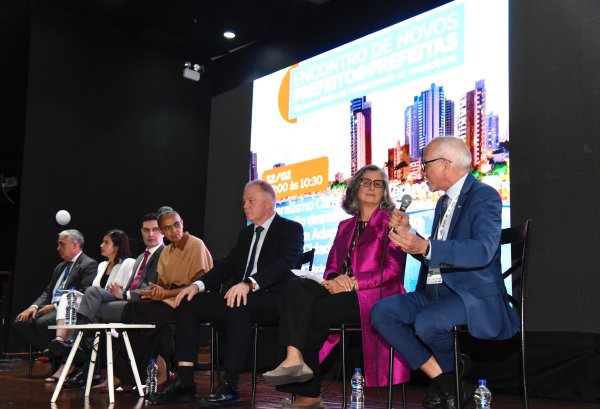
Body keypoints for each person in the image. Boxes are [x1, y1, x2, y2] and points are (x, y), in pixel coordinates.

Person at [370, 137, 520, 409]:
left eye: (426, 164)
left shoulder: (484, 196)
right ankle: (450, 382)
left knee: (427, 322)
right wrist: (410, 234)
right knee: (382, 313)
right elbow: (432, 251)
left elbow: (482, 250)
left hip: (470, 294)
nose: (423, 170)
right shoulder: (442, 203)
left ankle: (449, 379)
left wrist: (425, 245)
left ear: (446, 165)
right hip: (435, 291)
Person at [261, 165, 410, 409]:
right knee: (295, 287)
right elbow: (332, 265)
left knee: (314, 311)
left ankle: (309, 395)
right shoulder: (344, 226)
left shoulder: (391, 222)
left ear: (385, 192)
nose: (371, 187)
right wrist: (333, 280)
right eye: (366, 182)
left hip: (376, 295)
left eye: (378, 183)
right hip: (342, 290)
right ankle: (293, 357)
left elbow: (393, 270)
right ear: (354, 188)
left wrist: (354, 283)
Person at [145, 180, 304, 406]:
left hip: (274, 299)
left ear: (268, 203)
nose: (245, 206)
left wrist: (249, 284)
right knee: (189, 302)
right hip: (240, 296)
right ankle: (185, 382)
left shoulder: (290, 228)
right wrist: (196, 286)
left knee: (239, 301)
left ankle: (230, 384)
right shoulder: (246, 234)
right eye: (243, 202)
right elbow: (227, 266)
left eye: (251, 201)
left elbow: (284, 264)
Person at [110, 206, 213, 389]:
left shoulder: (195, 244)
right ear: (163, 231)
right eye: (167, 228)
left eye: (176, 225)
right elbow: (164, 286)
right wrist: (155, 292)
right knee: (133, 309)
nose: (173, 231)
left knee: (143, 313)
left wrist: (165, 294)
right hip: (169, 300)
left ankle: (137, 373)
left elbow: (198, 285)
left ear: (182, 223)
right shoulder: (166, 252)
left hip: (190, 301)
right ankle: (131, 372)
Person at [47, 229, 134, 381]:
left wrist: (119, 292)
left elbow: (127, 291)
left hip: (115, 304)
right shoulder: (102, 266)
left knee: (93, 291)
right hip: (97, 305)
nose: (101, 245)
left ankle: (75, 340)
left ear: (117, 246)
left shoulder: (128, 263)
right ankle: (62, 340)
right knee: (70, 295)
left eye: (106, 242)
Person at [12, 230, 97, 376]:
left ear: (75, 245)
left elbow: (83, 293)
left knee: (41, 322)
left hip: (69, 310)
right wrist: (34, 306)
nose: (58, 248)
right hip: (49, 308)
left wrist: (55, 306)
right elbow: (48, 292)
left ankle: (65, 360)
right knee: (20, 322)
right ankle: (54, 352)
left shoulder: (88, 264)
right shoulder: (60, 267)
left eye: (61, 244)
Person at [75, 213, 165, 325]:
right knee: (92, 295)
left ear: (163, 231)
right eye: (146, 230)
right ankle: (79, 335)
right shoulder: (140, 258)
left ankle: (75, 336)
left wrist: (125, 295)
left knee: (92, 302)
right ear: (142, 232)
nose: (150, 234)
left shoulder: (166, 255)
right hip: (127, 299)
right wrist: (119, 291)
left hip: (143, 304)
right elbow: (132, 285)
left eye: (155, 229)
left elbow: (156, 287)